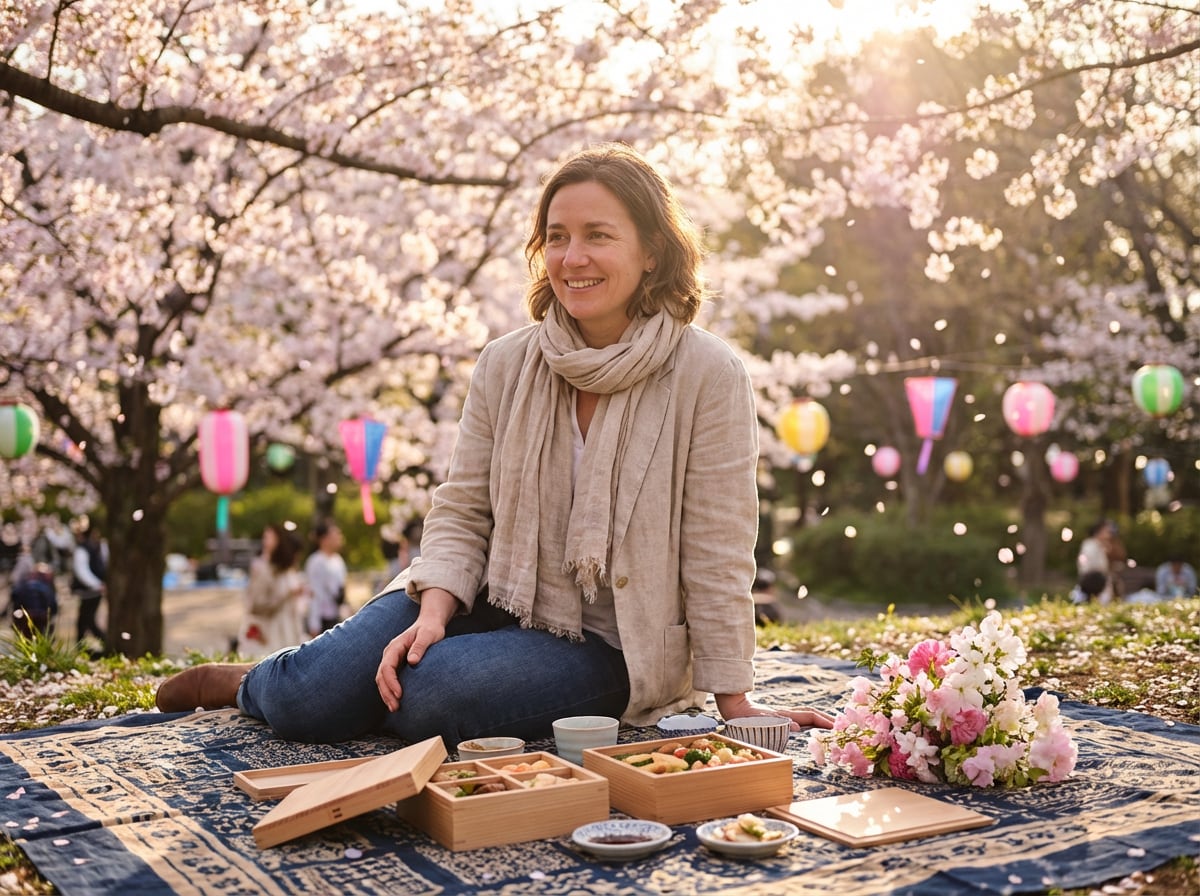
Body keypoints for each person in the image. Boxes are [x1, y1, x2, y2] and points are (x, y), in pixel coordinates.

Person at [155, 143, 833, 745]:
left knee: (432, 697)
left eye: (599, 235)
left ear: (652, 249)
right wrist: (434, 613)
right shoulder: (508, 363)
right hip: (489, 590)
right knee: (309, 697)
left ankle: (350, 690)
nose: (574, 258)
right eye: (558, 237)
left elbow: (718, 547)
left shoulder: (709, 374)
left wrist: (733, 699)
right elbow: (464, 507)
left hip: (609, 642)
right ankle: (260, 682)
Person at [237, 525, 308, 659]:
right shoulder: (264, 570)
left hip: (288, 634)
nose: (266, 542)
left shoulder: (287, 571)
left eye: (270, 538)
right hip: (270, 637)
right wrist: (286, 594)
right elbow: (255, 605)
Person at [303, 520, 347, 636]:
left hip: (335, 615)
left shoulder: (338, 560)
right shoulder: (316, 562)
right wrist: (314, 623)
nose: (339, 538)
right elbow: (315, 593)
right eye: (335, 534)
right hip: (322, 617)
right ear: (324, 539)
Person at [70, 520, 107, 645]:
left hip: (92, 589)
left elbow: (82, 570)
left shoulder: (87, 548)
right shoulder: (90, 548)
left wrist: (96, 585)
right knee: (83, 620)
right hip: (91, 588)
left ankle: (106, 642)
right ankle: (80, 645)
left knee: (88, 620)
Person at [9, 562, 58, 638]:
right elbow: (53, 604)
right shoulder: (47, 587)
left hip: (27, 616)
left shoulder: (24, 583)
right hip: (41, 617)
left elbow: (15, 596)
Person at [1075, 521, 1112, 603]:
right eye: (1106, 532)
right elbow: (1085, 564)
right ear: (1098, 532)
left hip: (1100, 583)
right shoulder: (1090, 545)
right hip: (1093, 584)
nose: (1109, 535)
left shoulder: (1100, 546)